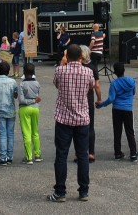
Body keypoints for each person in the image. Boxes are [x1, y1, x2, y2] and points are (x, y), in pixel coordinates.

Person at [49, 43, 95, 202]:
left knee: (61, 155)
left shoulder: (60, 70)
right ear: (82, 57)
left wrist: (63, 63)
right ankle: (84, 191)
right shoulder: (88, 72)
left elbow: (56, 84)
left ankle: (60, 192)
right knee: (82, 155)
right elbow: (91, 87)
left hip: (63, 118)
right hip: (82, 119)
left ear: (66, 56)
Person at [97, 61, 137, 161]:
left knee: (117, 131)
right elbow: (133, 92)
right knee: (130, 131)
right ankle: (133, 154)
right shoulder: (131, 81)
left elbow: (111, 99)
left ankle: (118, 153)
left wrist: (101, 104)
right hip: (128, 109)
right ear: (124, 70)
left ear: (114, 72)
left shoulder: (114, 84)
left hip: (117, 110)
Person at [0, 61, 18, 166]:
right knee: (10, 134)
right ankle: (10, 157)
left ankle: (2, 157)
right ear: (8, 71)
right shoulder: (13, 82)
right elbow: (15, 95)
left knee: (2, 134)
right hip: (11, 110)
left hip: (0, 110)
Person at [79, 45, 102, 163]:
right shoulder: (92, 68)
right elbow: (96, 85)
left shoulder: (78, 67)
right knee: (90, 126)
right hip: (89, 97)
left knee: (78, 126)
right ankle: (91, 152)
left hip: (78, 98)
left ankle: (81, 153)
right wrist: (99, 99)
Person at [18, 62, 43, 165]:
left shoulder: (22, 84)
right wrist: (34, 101)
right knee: (35, 132)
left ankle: (29, 157)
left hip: (25, 109)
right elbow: (37, 97)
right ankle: (37, 155)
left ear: (24, 72)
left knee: (26, 133)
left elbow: (21, 100)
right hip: (35, 109)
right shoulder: (37, 83)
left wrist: (31, 101)